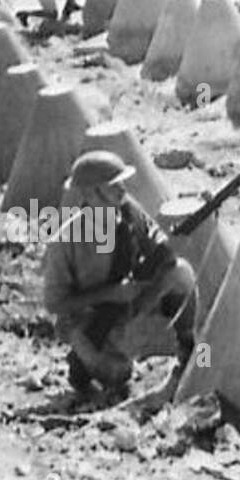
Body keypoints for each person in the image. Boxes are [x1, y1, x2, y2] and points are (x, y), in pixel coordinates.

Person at [42, 151, 197, 398]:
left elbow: (154, 237)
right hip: (89, 320)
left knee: (181, 271)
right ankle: (83, 361)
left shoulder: (127, 211)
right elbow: (54, 303)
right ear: (91, 194)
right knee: (118, 376)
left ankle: (190, 350)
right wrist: (111, 294)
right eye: (113, 186)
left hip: (131, 304)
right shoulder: (65, 240)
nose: (121, 191)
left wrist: (165, 246)